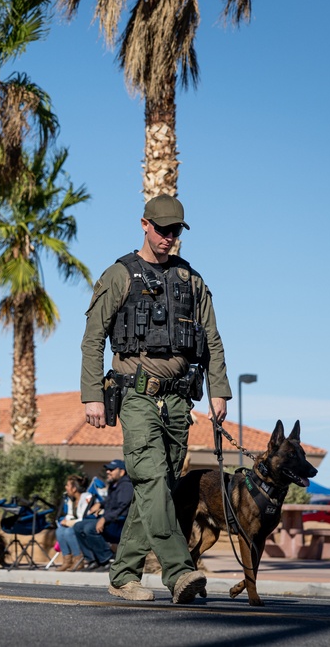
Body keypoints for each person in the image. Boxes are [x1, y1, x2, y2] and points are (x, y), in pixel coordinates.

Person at [80, 194, 232, 604]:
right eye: (162, 229)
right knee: (150, 479)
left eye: (175, 231)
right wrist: (92, 396)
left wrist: (219, 390)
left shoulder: (191, 281)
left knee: (158, 486)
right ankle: (179, 571)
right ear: (144, 224)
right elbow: (93, 338)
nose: (168, 238)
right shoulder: (119, 275)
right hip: (136, 395)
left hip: (180, 401)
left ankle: (123, 574)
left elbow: (212, 340)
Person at [73, 460, 133, 570]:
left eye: (111, 469)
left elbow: (122, 508)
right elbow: (110, 501)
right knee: (78, 526)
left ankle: (106, 559)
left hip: (119, 524)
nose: (108, 472)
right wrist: (100, 504)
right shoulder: (114, 485)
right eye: (107, 470)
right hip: (110, 520)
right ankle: (92, 559)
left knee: (89, 528)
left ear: (122, 472)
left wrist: (104, 519)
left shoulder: (126, 486)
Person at [55, 474, 99, 571]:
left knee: (68, 532)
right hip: (76, 523)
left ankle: (78, 559)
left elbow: (83, 517)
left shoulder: (86, 497)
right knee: (59, 531)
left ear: (74, 488)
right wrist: (66, 521)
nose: (66, 488)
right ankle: (67, 560)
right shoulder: (71, 499)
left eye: (68, 486)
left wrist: (69, 523)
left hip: (85, 523)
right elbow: (70, 515)